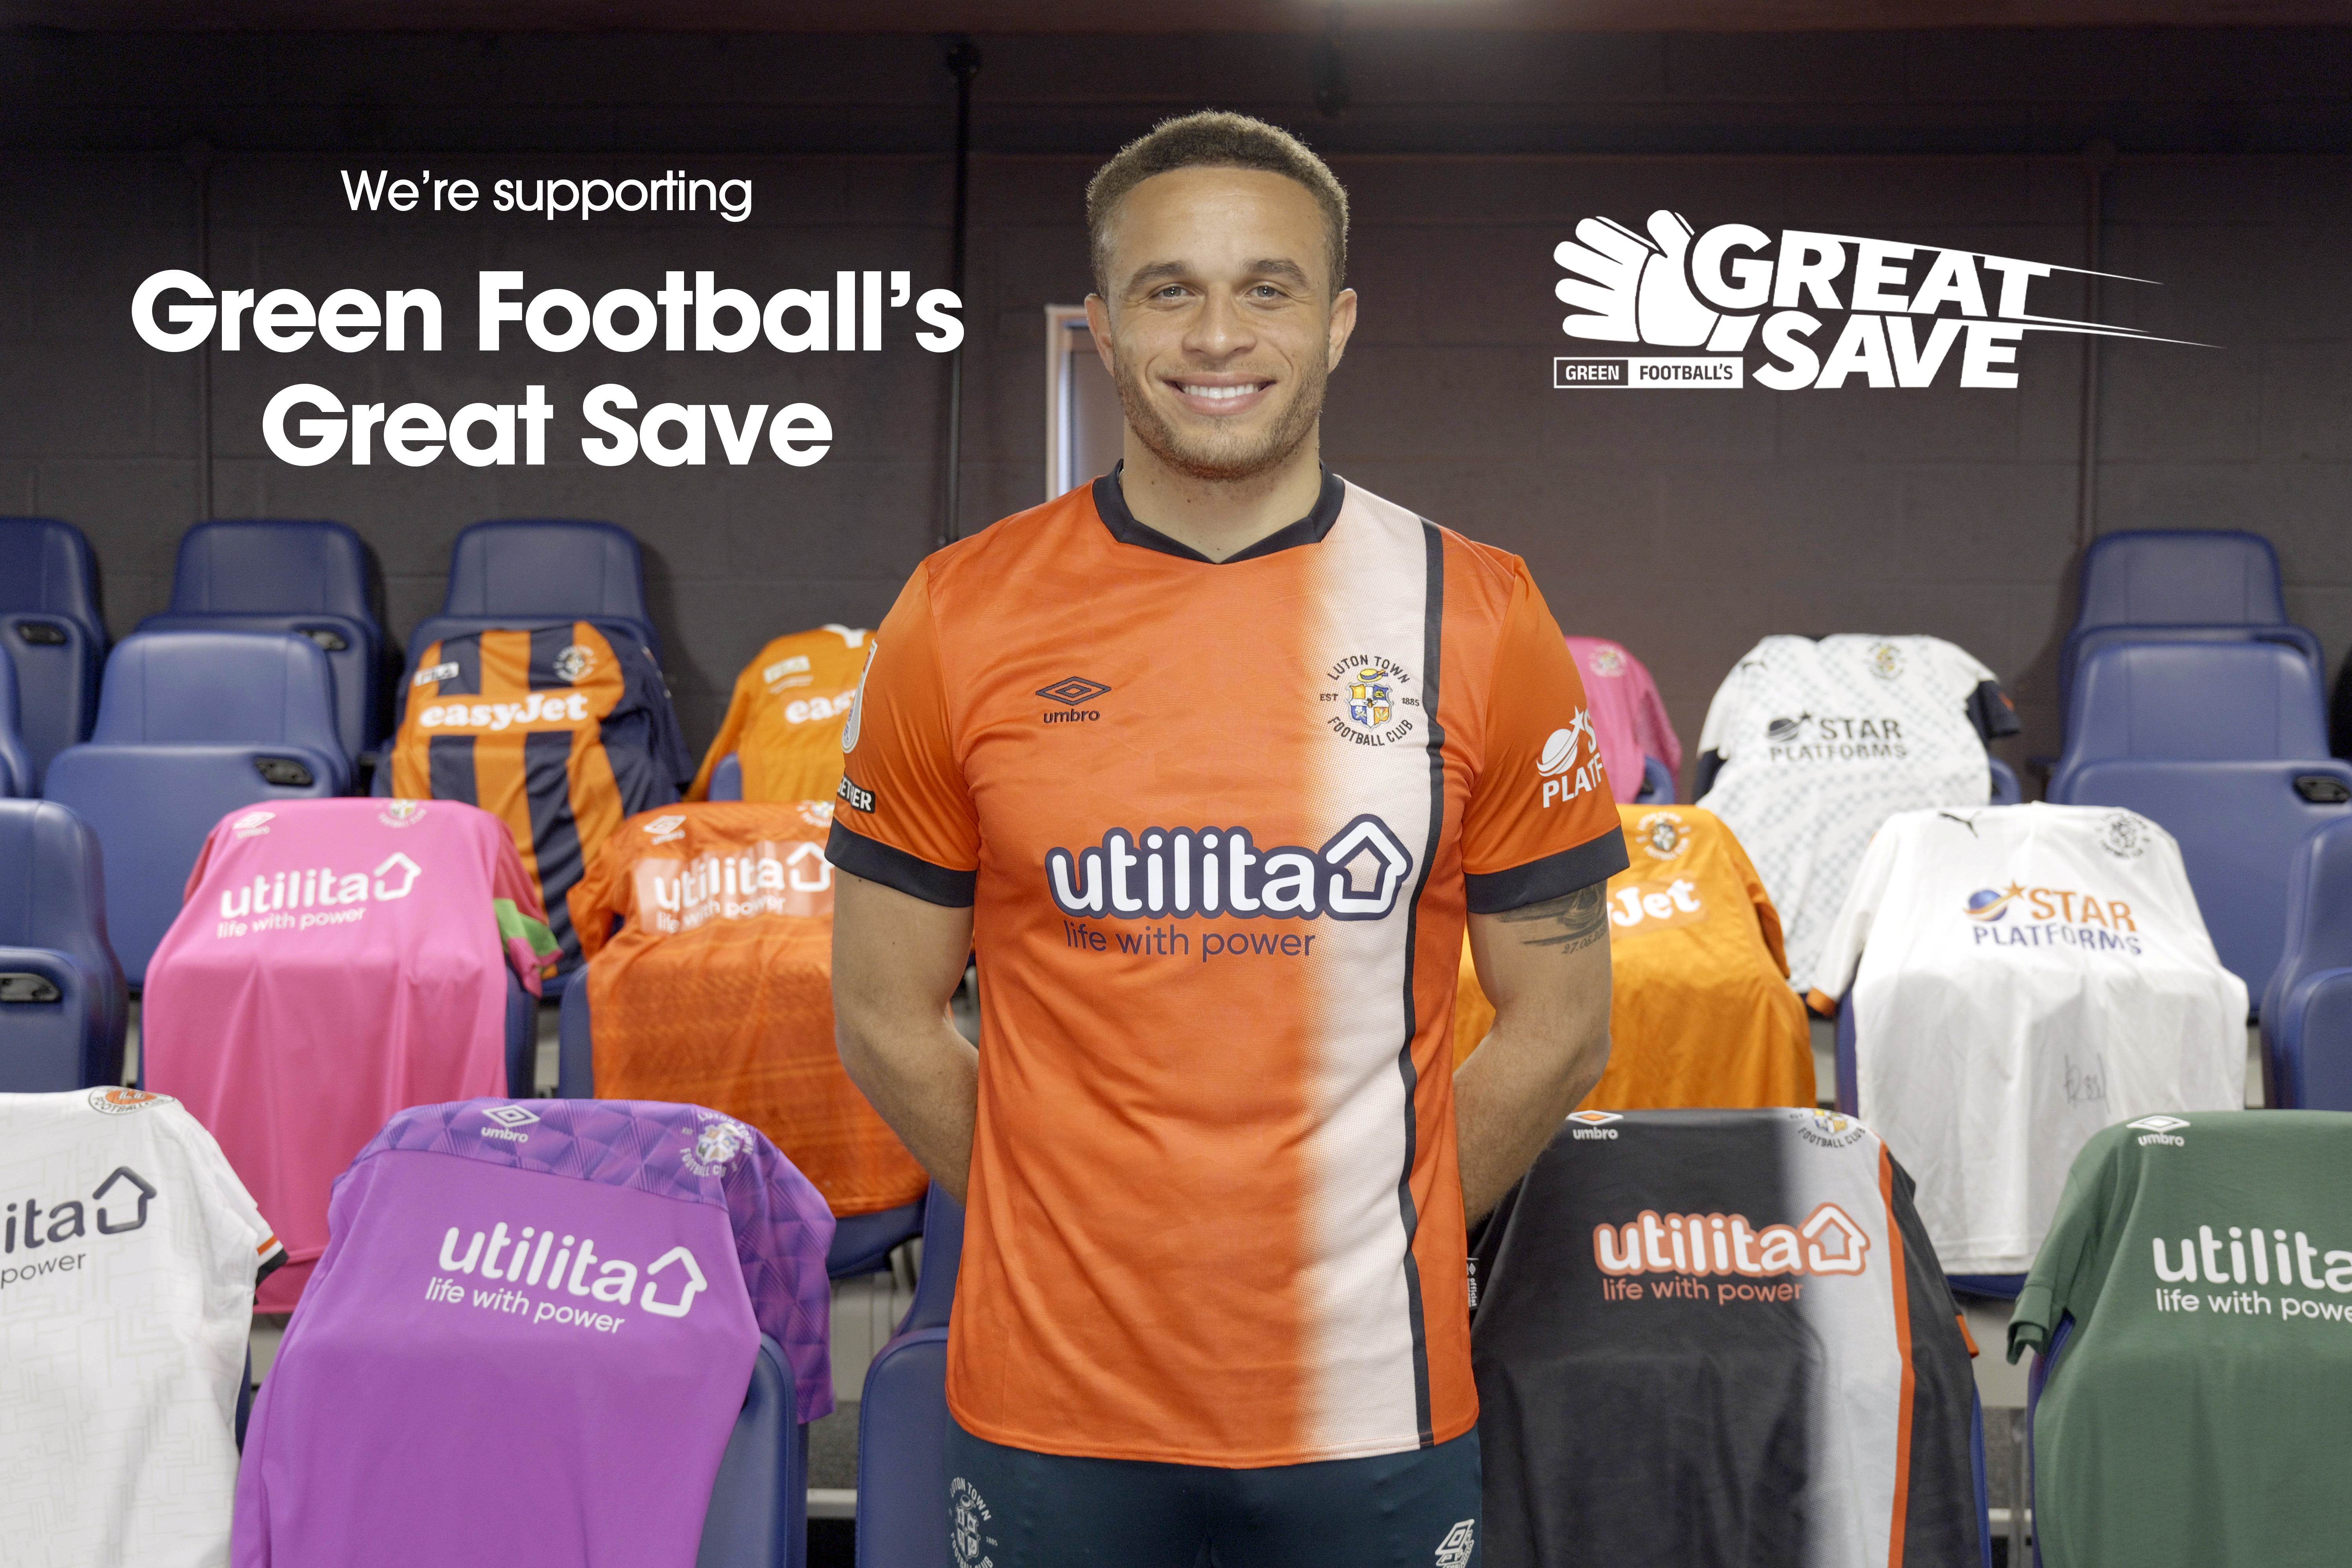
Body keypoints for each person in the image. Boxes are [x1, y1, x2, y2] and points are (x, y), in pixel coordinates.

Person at [828, 109, 1625, 1568]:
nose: (1217, 334)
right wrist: (1054, 1209)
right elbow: (882, 1014)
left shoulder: (1485, 613)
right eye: (1168, 288)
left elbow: (1564, 1020)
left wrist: (1389, 1220)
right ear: (1105, 322)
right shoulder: (958, 611)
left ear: (1338, 324)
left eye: (1267, 287)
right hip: (1049, 1397)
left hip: (1371, 1399)